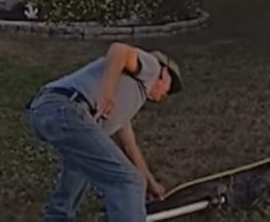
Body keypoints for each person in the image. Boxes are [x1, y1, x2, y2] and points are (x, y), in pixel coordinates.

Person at [25, 42, 183, 221]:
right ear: (164, 73)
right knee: (126, 182)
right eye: (169, 87)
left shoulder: (128, 98)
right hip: (66, 108)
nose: (166, 94)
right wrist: (108, 92)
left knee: (79, 172)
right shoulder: (152, 67)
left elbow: (130, 147)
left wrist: (150, 182)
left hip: (48, 111)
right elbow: (118, 50)